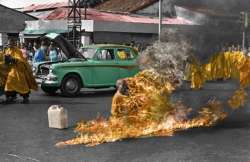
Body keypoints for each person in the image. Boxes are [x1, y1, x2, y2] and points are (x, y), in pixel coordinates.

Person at [2, 38, 38, 104]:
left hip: (18, 71)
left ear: (14, 44)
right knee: (9, 84)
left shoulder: (17, 50)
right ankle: (10, 97)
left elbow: (21, 60)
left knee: (22, 85)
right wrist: (6, 60)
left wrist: (13, 59)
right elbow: (5, 61)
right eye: (9, 44)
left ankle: (25, 98)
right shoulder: (7, 50)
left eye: (11, 44)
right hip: (12, 71)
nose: (9, 45)